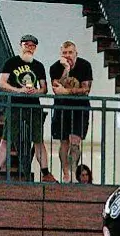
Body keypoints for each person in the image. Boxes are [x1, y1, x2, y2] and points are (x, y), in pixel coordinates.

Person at [0, 35, 52, 182]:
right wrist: (19, 90)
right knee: (6, 139)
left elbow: (44, 89)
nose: (29, 48)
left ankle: (45, 173)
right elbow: (1, 83)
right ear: (21, 45)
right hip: (15, 105)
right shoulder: (11, 62)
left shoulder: (38, 66)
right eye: (27, 45)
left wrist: (34, 91)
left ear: (35, 48)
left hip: (33, 105)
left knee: (38, 140)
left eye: (32, 46)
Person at [49, 41, 93, 183]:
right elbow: (56, 89)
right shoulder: (55, 67)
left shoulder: (85, 65)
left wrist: (66, 91)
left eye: (70, 53)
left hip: (80, 108)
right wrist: (66, 70)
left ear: (76, 53)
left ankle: (74, 172)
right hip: (62, 108)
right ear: (61, 54)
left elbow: (86, 89)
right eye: (65, 53)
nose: (68, 55)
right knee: (64, 142)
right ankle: (66, 173)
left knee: (75, 142)